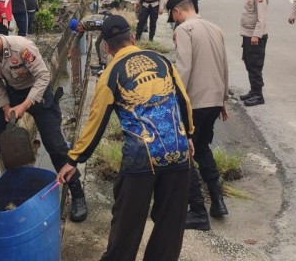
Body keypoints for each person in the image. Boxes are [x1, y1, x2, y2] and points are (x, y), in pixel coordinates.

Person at [57, 15, 194, 261]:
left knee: (127, 226)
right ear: (132, 38)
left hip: (142, 158)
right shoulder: (162, 61)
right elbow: (184, 100)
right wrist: (189, 135)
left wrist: (73, 159)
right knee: (170, 226)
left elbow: (95, 123)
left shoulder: (111, 74)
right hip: (179, 151)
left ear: (107, 48)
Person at [0, 25, 88, 222]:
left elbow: (44, 76)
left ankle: (77, 193)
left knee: (54, 144)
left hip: (38, 93)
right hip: (12, 94)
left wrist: (25, 105)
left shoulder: (22, 48)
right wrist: (5, 107)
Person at [168, 0, 230, 231]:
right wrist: (222, 98)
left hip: (195, 103)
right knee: (202, 147)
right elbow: (224, 64)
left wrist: (173, 100)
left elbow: (183, 69)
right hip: (214, 100)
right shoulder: (215, 28)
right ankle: (218, 202)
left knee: (184, 152)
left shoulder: (185, 30)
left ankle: (197, 212)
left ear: (177, 12)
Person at [239, 0, 268, 107]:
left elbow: (261, 18)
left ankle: (258, 95)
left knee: (255, 65)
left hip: (255, 36)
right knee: (249, 63)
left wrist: (256, 35)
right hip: (248, 34)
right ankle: (253, 90)